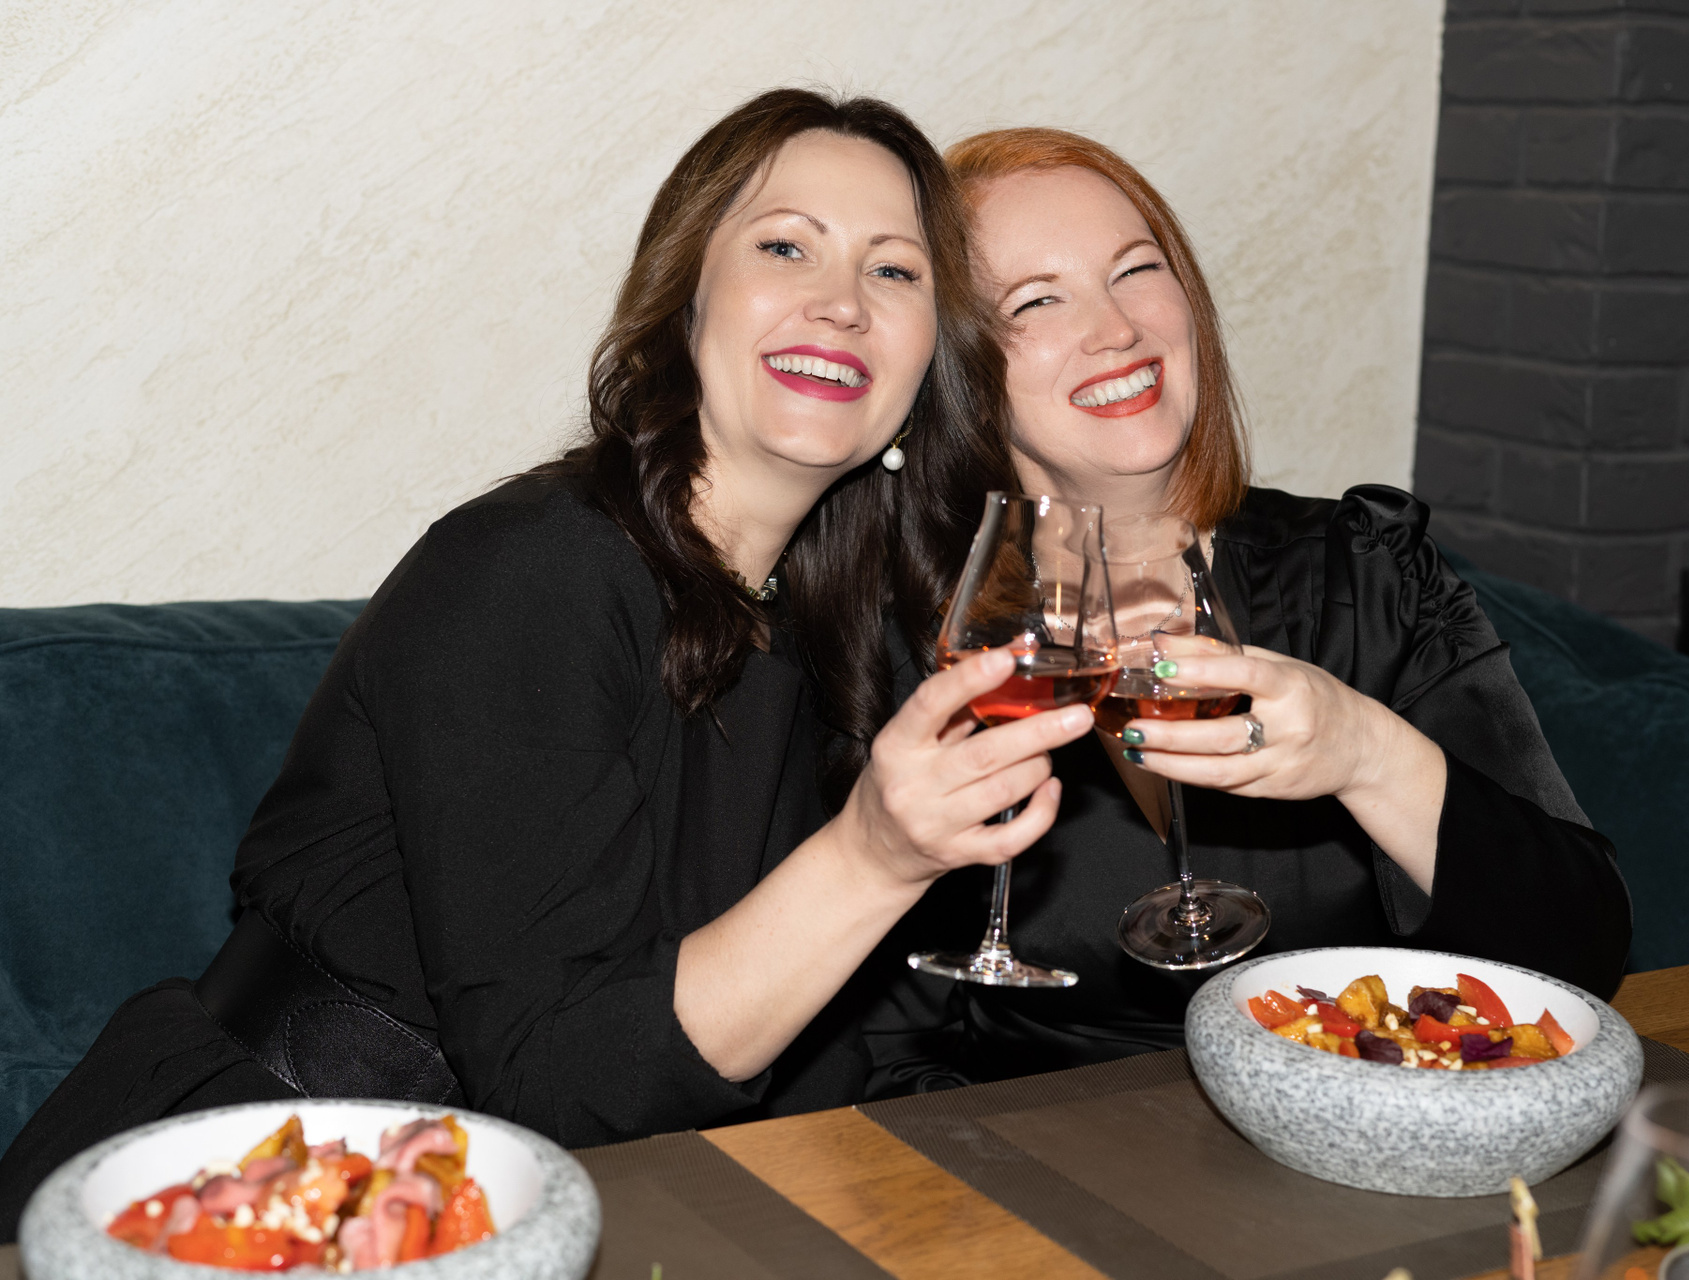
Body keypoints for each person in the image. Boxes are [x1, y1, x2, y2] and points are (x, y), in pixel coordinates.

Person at [0, 91, 1101, 1239]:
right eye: (786, 246)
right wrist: (875, 853)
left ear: (927, 366)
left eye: (894, 271)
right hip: (261, 1188)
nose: (842, 301)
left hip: (566, 1205)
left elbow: (819, 1043)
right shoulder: (530, 569)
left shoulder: (826, 633)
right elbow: (559, 1075)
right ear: (683, 303)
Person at [868, 128, 1633, 1089]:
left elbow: (1583, 950)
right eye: (1036, 300)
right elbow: (884, 1058)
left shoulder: (1366, 573)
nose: (1116, 329)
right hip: (1038, 1152)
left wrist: (1364, 751)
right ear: (959, 368)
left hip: (1354, 1125)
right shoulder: (924, 635)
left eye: (1135, 270)